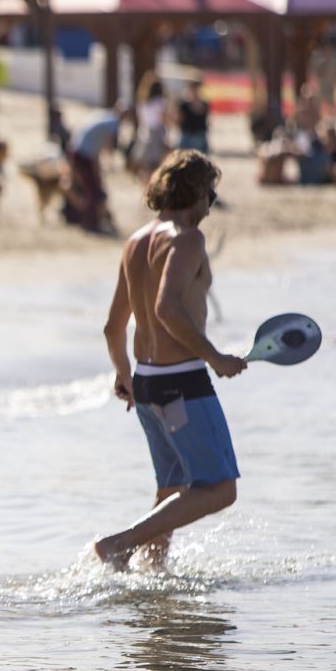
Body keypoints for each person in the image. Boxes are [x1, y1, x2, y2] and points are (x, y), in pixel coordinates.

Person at [95, 149, 246, 569]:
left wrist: (125, 376)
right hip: (181, 382)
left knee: (173, 488)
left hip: (147, 383)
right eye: (210, 195)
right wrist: (216, 358)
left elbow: (112, 327)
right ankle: (119, 544)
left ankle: (151, 576)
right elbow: (167, 308)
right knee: (220, 488)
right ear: (194, 192)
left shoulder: (135, 242)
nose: (210, 208)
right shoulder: (187, 238)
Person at [65, 108, 123, 234]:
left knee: (90, 187)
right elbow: (108, 145)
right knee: (93, 191)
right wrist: (111, 163)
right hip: (83, 154)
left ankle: (84, 217)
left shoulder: (104, 116)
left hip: (76, 150)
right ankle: (90, 222)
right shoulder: (113, 123)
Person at [131, 74, 170, 176]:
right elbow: (163, 118)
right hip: (156, 131)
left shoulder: (143, 102)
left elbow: (140, 118)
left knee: (145, 160)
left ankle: (145, 178)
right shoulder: (160, 102)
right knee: (155, 161)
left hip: (143, 130)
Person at [177, 81, 210, 154]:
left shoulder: (204, 104)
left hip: (199, 134)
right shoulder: (184, 105)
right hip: (187, 134)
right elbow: (179, 120)